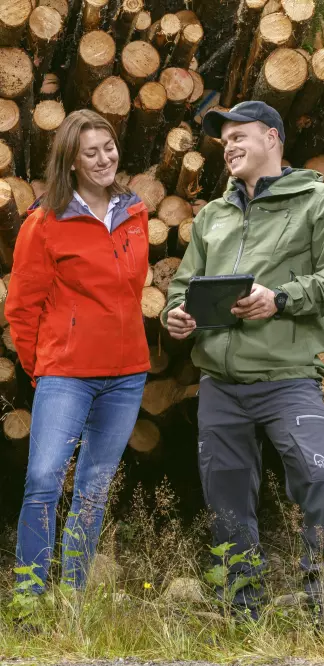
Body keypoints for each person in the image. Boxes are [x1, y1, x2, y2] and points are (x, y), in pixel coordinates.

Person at [162, 101, 324, 627]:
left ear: (272, 138)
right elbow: (184, 286)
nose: (228, 146)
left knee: (319, 480)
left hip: (288, 379)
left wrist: (283, 297)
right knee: (225, 496)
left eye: (239, 136)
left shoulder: (321, 202)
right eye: (223, 139)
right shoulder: (213, 215)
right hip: (220, 386)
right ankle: (240, 608)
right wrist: (176, 315)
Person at [5, 109, 150, 593]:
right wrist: (43, 367)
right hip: (66, 374)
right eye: (91, 152)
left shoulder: (135, 213)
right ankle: (29, 594)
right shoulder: (44, 223)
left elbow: (132, 291)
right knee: (44, 478)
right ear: (71, 161)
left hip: (127, 375)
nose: (104, 158)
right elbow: (22, 308)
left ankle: (73, 597)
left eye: (108, 148)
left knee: (93, 489)